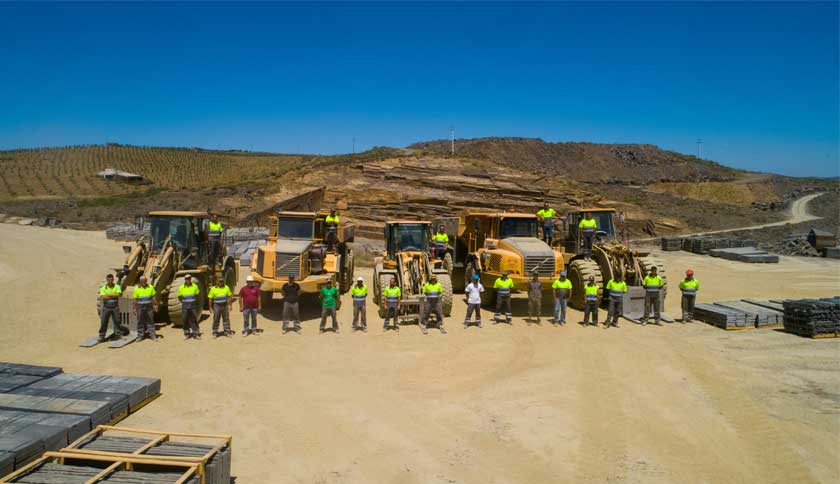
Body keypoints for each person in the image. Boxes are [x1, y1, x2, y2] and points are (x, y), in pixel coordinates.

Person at [98, 274, 127, 342]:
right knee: (104, 322)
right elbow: (103, 297)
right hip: (106, 308)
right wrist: (114, 295)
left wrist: (108, 295)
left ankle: (118, 334)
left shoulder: (117, 286)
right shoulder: (103, 288)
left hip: (115, 307)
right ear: (107, 280)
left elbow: (119, 294)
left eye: (111, 280)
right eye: (109, 280)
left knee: (117, 321)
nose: (110, 281)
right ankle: (102, 336)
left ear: (113, 280)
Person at [132, 276, 158, 341]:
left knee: (150, 321)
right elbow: (135, 299)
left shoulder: (151, 287)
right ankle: (140, 336)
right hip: (140, 307)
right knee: (140, 321)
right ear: (140, 281)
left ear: (146, 281)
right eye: (142, 281)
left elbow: (153, 297)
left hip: (149, 307)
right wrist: (134, 308)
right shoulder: (136, 289)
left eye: (145, 280)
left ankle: (152, 335)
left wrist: (155, 305)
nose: (144, 282)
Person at [177, 274, 201, 339]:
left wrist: (195, 303)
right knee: (185, 319)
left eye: (189, 278)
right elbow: (179, 297)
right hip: (185, 306)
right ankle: (187, 333)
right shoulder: (181, 287)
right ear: (185, 279)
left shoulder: (195, 286)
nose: (188, 280)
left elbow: (197, 295)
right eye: (187, 279)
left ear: (190, 279)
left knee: (194, 319)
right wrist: (184, 302)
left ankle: (196, 333)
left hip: (193, 306)